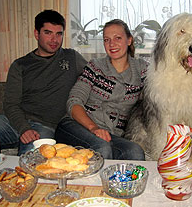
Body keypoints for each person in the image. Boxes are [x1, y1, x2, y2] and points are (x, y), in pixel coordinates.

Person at [0, 9, 87, 155]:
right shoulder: (20, 65)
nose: (54, 40)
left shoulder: (71, 58)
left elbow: (96, 75)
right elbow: (10, 104)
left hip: (45, 127)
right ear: (37, 34)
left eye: (58, 34)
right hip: (13, 122)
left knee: (33, 159)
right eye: (48, 33)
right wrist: (24, 128)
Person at [55, 19, 148, 160]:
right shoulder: (95, 67)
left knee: (135, 151)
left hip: (111, 134)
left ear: (129, 40)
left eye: (118, 38)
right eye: (106, 40)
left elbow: (163, 85)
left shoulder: (142, 69)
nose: (112, 44)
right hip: (76, 126)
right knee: (102, 147)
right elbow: (74, 102)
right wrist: (93, 128)